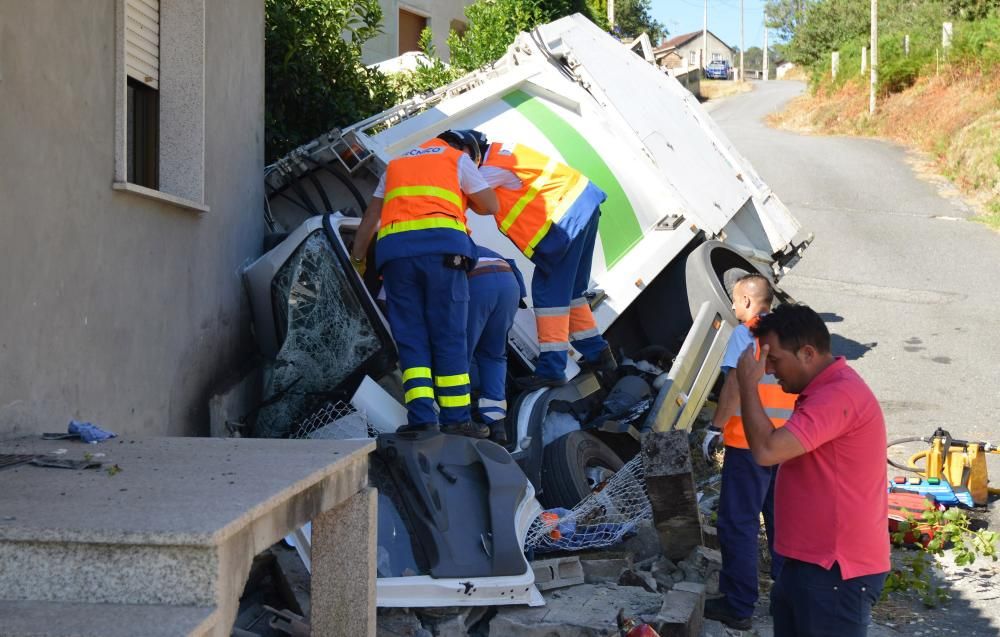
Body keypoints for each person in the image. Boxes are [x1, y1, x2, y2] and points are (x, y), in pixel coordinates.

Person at [735, 303, 889, 637]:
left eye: (774, 359)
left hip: (834, 570)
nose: (770, 371)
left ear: (807, 352)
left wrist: (746, 384)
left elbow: (766, 451)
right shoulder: (823, 391)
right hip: (809, 564)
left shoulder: (837, 395)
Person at [350, 130, 498, 437]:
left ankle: (422, 419)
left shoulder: (395, 166)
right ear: (466, 148)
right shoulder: (458, 159)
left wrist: (359, 258)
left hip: (395, 258)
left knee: (411, 338)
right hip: (442, 251)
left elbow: (370, 219)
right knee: (448, 334)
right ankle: (456, 419)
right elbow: (490, 205)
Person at [473, 133, 616, 390]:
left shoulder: (489, 168)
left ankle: (552, 369)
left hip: (565, 219)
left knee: (548, 293)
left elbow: (474, 196)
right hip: (582, 207)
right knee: (571, 292)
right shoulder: (501, 152)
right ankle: (597, 353)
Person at [702, 273, 795, 631]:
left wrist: (714, 428)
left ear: (745, 302)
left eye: (735, 301)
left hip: (748, 445)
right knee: (782, 524)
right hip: (787, 444)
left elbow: (734, 385)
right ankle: (786, 602)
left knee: (738, 523)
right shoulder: (790, 334)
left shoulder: (745, 334)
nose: (734, 308)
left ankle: (738, 604)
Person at [466, 243, 526, 443]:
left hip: (477, 283)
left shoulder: (421, 250)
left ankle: (460, 418)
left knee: (458, 356)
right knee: (494, 355)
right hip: (509, 283)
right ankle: (497, 424)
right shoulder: (472, 244)